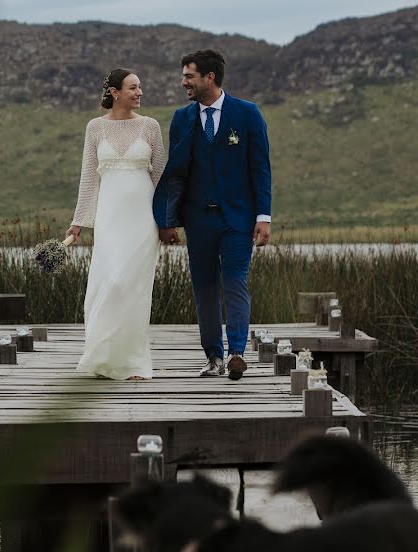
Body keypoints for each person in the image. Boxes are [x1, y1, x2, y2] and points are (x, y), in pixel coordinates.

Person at [153, 49, 272, 381]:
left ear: (210, 77)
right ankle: (213, 357)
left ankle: (236, 352)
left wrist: (264, 216)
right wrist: (167, 220)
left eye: (189, 76)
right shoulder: (182, 118)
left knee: (235, 282)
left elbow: (260, 168)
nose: (183, 82)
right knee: (204, 287)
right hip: (197, 220)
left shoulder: (247, 114)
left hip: (237, 219)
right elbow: (176, 173)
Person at [67, 69, 166, 380]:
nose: (139, 92)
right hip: (109, 219)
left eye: (140, 87)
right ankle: (102, 358)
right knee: (108, 283)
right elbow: (88, 178)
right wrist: (78, 221)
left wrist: (167, 221)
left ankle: (134, 363)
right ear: (114, 92)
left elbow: (161, 176)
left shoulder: (150, 126)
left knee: (134, 287)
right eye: (133, 87)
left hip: (143, 218)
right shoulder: (95, 128)